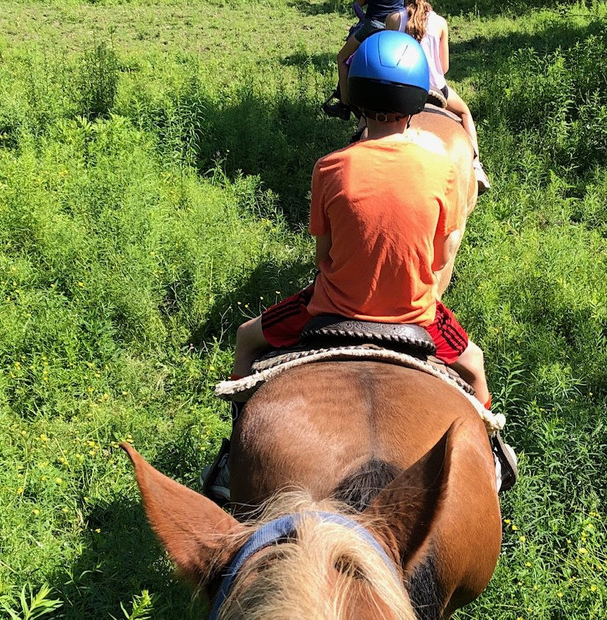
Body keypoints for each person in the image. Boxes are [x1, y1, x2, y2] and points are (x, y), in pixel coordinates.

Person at [204, 31, 515, 500]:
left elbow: (323, 255)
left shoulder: (330, 167)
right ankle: (492, 457)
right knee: (474, 364)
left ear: (358, 100)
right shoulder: (448, 172)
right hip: (417, 318)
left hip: (332, 313)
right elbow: (443, 257)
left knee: (247, 340)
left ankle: (233, 461)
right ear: (415, 101)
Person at [392, 0, 490, 191]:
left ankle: (360, 142)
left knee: (370, 112)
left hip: (404, 87)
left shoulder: (394, 19)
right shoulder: (440, 23)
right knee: (464, 113)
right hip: (435, 88)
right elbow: (443, 68)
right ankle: (476, 166)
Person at [321, 0, 406, 118]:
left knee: (341, 58)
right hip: (398, 24)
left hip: (373, 25)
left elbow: (357, 4)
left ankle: (344, 105)